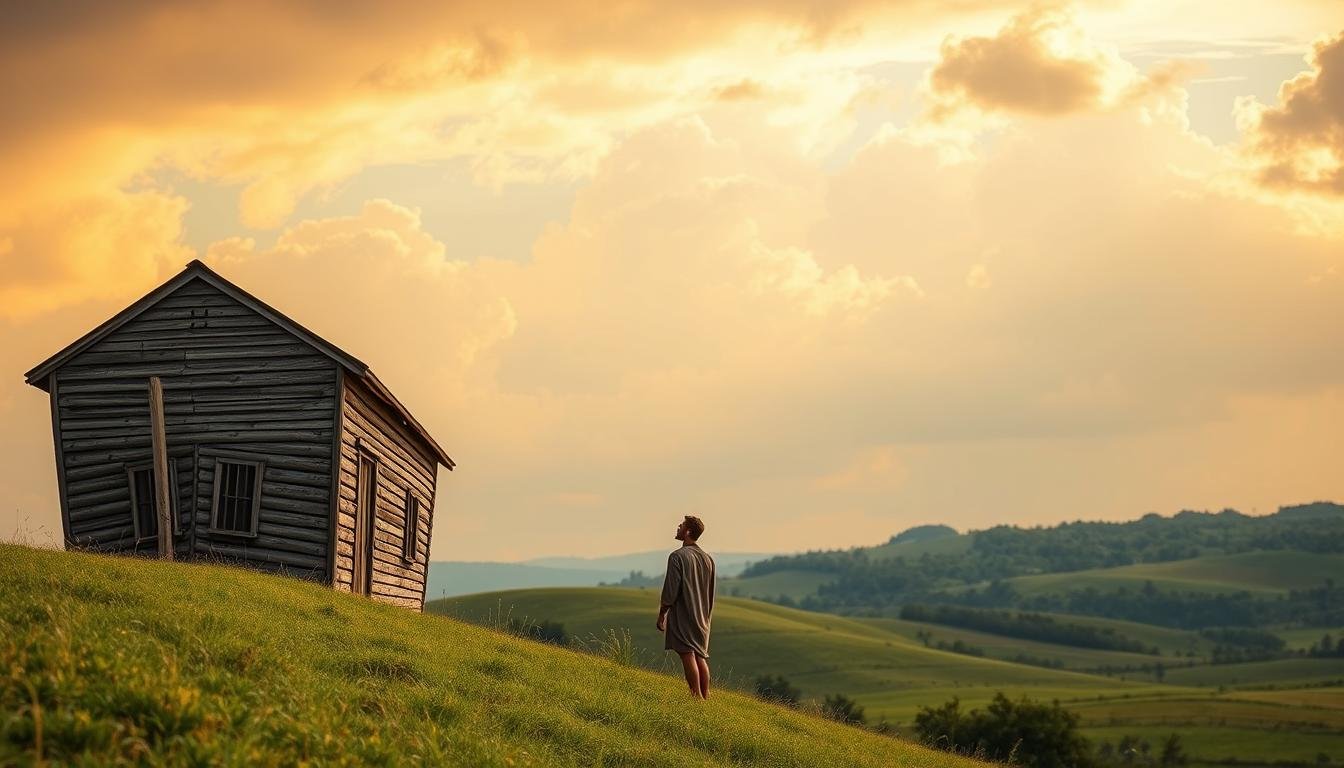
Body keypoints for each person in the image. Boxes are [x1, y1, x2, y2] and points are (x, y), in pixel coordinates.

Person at [656, 515, 715, 699]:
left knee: (687, 654)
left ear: (688, 531)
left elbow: (670, 591)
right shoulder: (708, 559)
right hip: (703, 616)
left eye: (681, 525)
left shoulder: (677, 557)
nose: (678, 527)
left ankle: (696, 697)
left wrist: (662, 614)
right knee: (700, 655)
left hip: (684, 613)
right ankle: (705, 696)